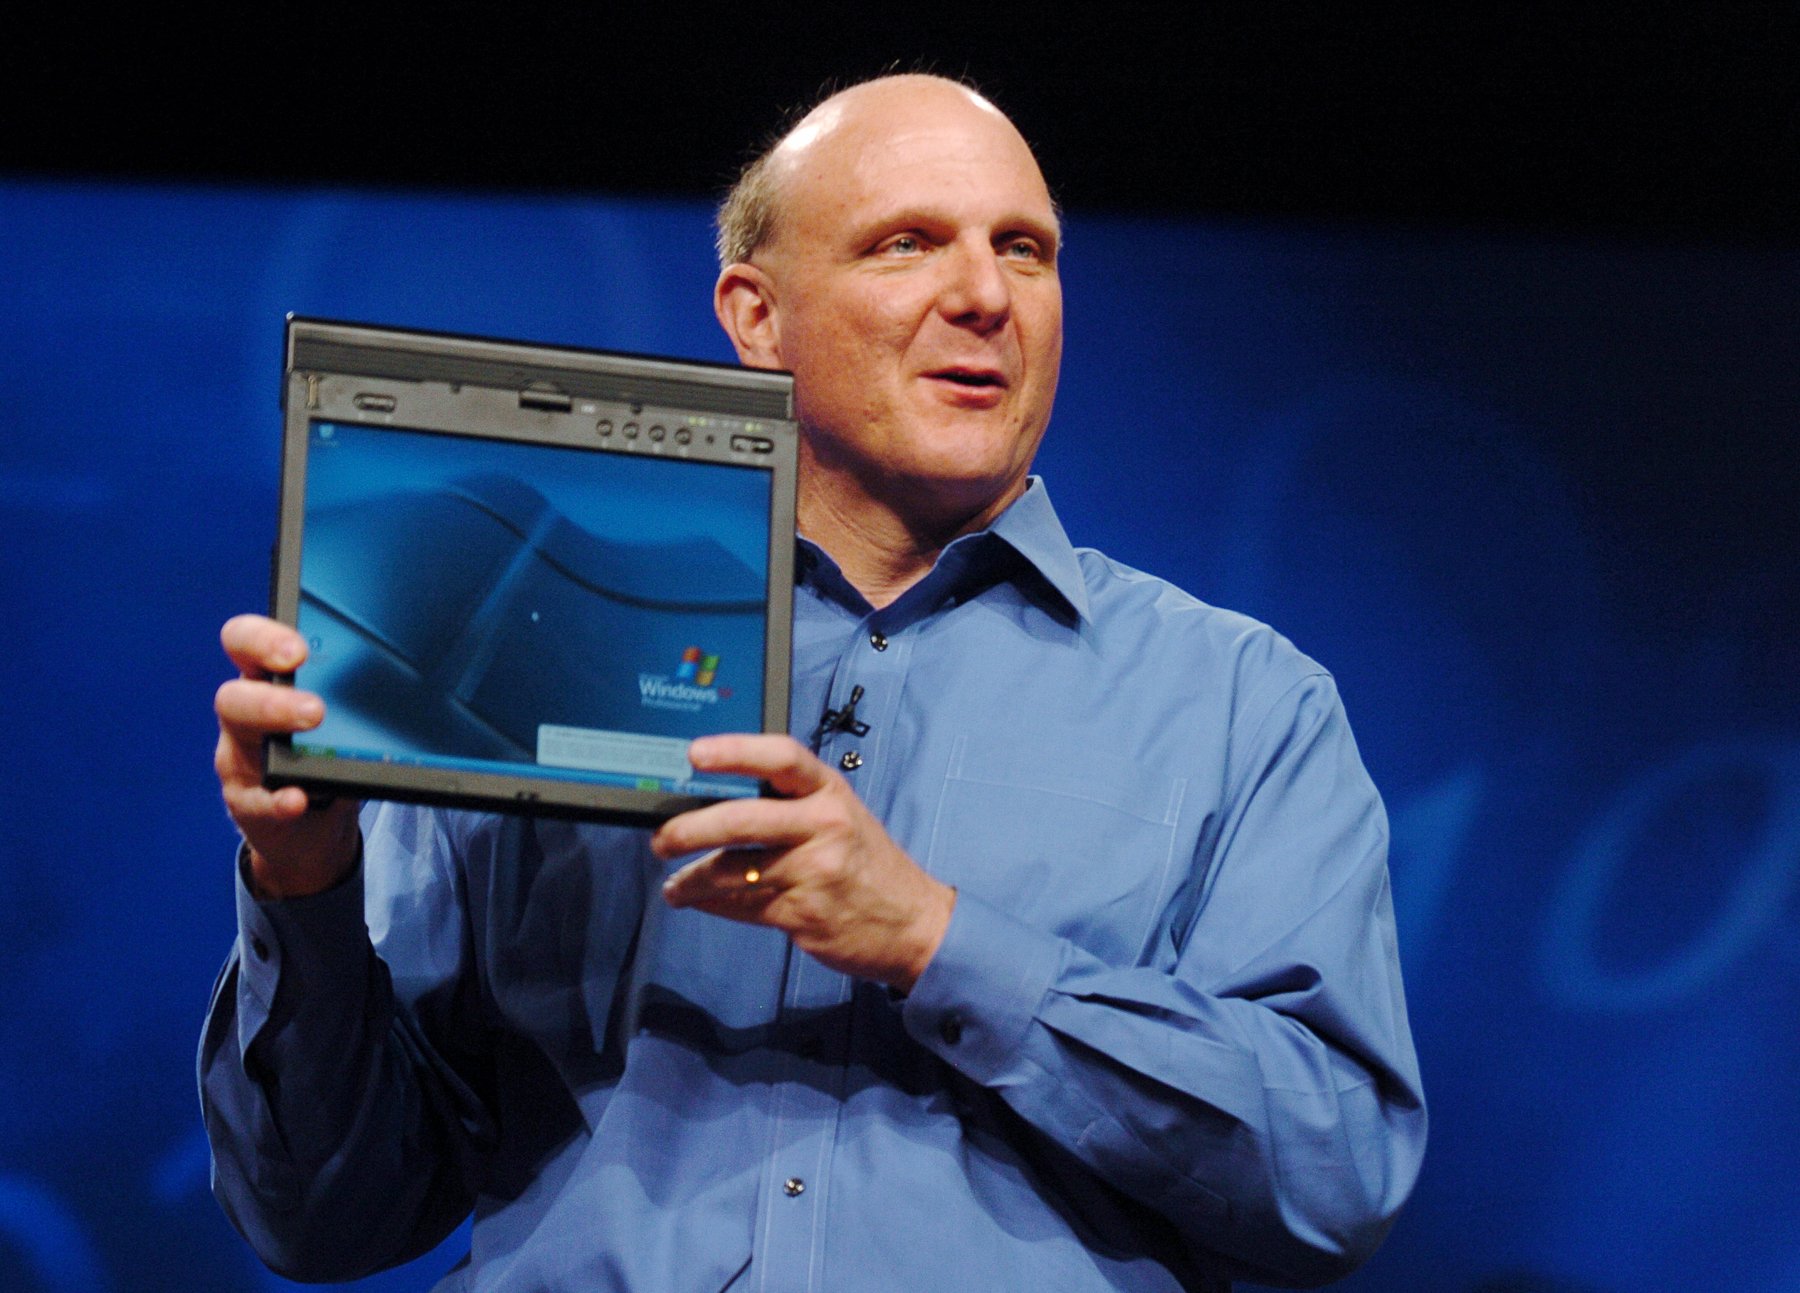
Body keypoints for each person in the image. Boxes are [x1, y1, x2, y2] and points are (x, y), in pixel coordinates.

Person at [202, 74, 1425, 1291]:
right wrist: (303, 884)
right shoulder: (537, 648)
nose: (985, 297)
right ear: (756, 316)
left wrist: (934, 941)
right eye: (907, 244)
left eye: (1026, 252)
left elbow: (1335, 1176)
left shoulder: (1237, 703)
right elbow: (320, 1222)